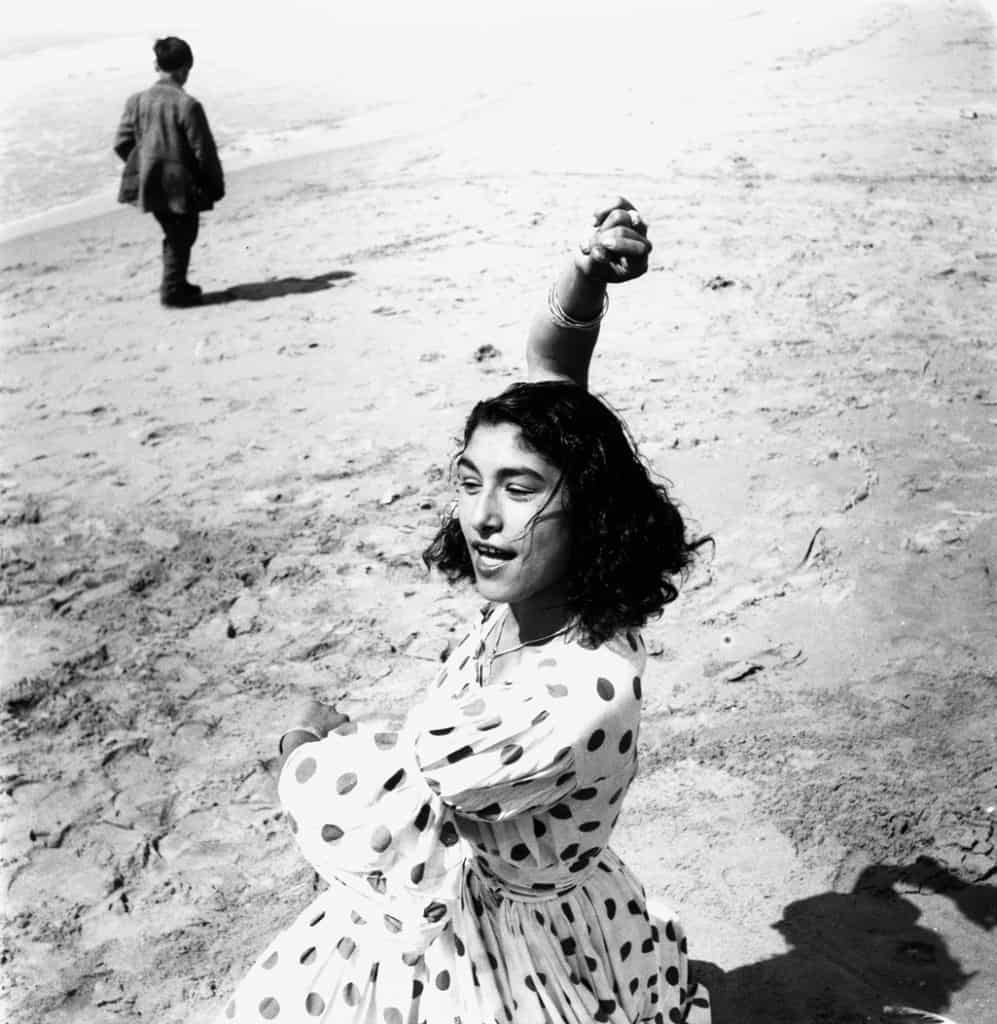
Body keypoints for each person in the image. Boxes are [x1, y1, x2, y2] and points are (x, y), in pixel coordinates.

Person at [214, 198, 712, 1024]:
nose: (480, 517)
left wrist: (304, 741)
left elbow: (373, 802)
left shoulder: (572, 696)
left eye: (516, 490)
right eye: (468, 478)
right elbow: (554, 374)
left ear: (591, 508)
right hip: (550, 891)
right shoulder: (566, 599)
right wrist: (585, 273)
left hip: (503, 944)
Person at [114, 36, 225, 308]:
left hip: (150, 183)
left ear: (157, 66)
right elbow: (203, 150)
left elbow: (121, 142)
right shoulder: (187, 104)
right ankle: (173, 291)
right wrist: (215, 185)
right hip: (179, 184)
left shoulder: (136, 101)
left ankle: (177, 283)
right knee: (183, 233)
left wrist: (144, 163)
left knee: (175, 233)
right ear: (185, 68)